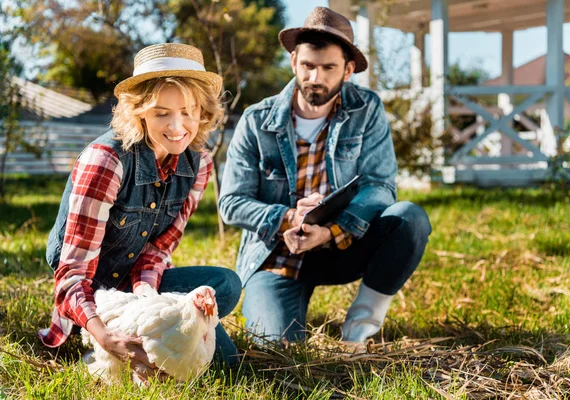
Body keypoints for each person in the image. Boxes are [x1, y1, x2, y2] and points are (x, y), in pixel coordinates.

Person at [219, 7, 432, 344]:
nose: (315, 78)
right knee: (276, 347)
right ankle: (284, 315)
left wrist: (330, 230)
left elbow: (380, 186)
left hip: (342, 241)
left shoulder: (367, 108)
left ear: (348, 70)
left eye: (328, 68)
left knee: (409, 218)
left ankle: (358, 332)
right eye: (307, 66)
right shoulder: (255, 120)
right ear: (293, 62)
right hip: (278, 253)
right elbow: (231, 203)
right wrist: (289, 217)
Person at [39, 43, 242, 371]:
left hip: (135, 288)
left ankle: (146, 335)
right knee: (209, 360)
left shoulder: (199, 163)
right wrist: (106, 338)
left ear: (203, 112)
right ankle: (93, 339)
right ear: (139, 111)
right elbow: (72, 273)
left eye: (188, 111)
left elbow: (158, 249)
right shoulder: (107, 161)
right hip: (95, 296)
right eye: (162, 113)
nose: (177, 127)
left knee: (228, 287)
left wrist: (148, 302)